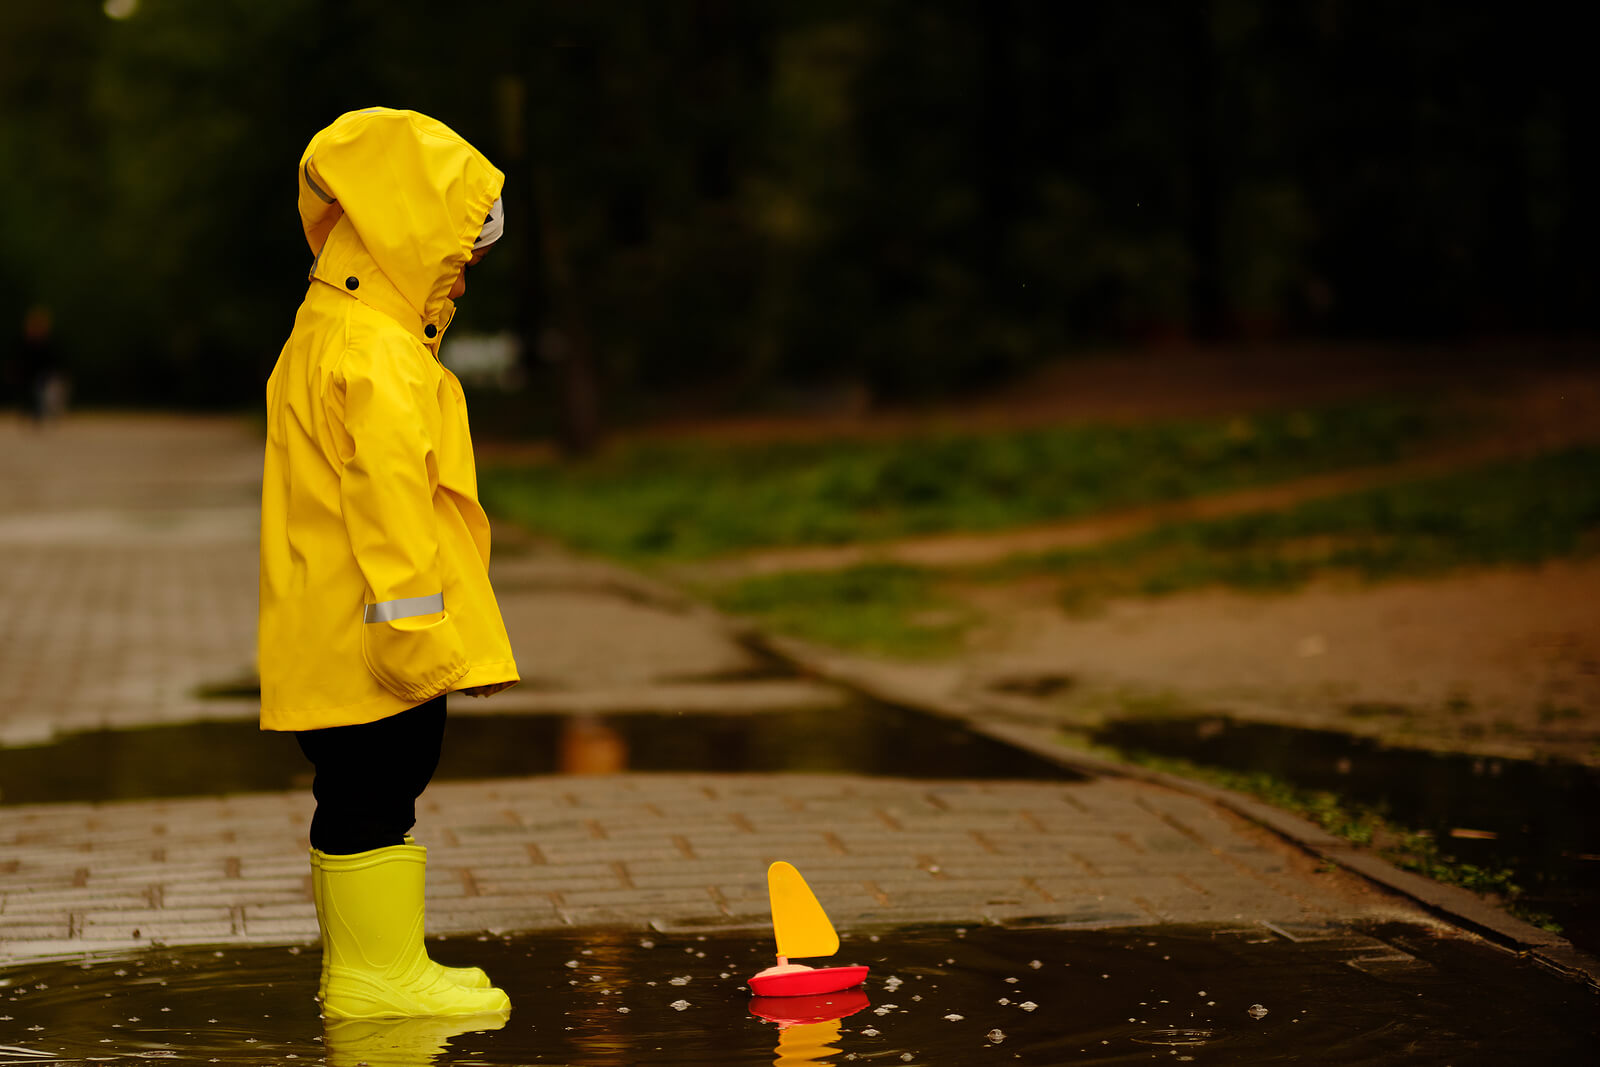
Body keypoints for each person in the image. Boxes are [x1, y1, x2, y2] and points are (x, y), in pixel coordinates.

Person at [258, 107, 520, 1020]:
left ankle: (367, 968)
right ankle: (379, 976)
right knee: (379, 788)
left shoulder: (331, 329)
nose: (463, 273)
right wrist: (425, 643)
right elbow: (393, 514)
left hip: (330, 629)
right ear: (412, 229)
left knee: (360, 795)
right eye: (459, 251)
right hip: (377, 645)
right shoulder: (376, 357)